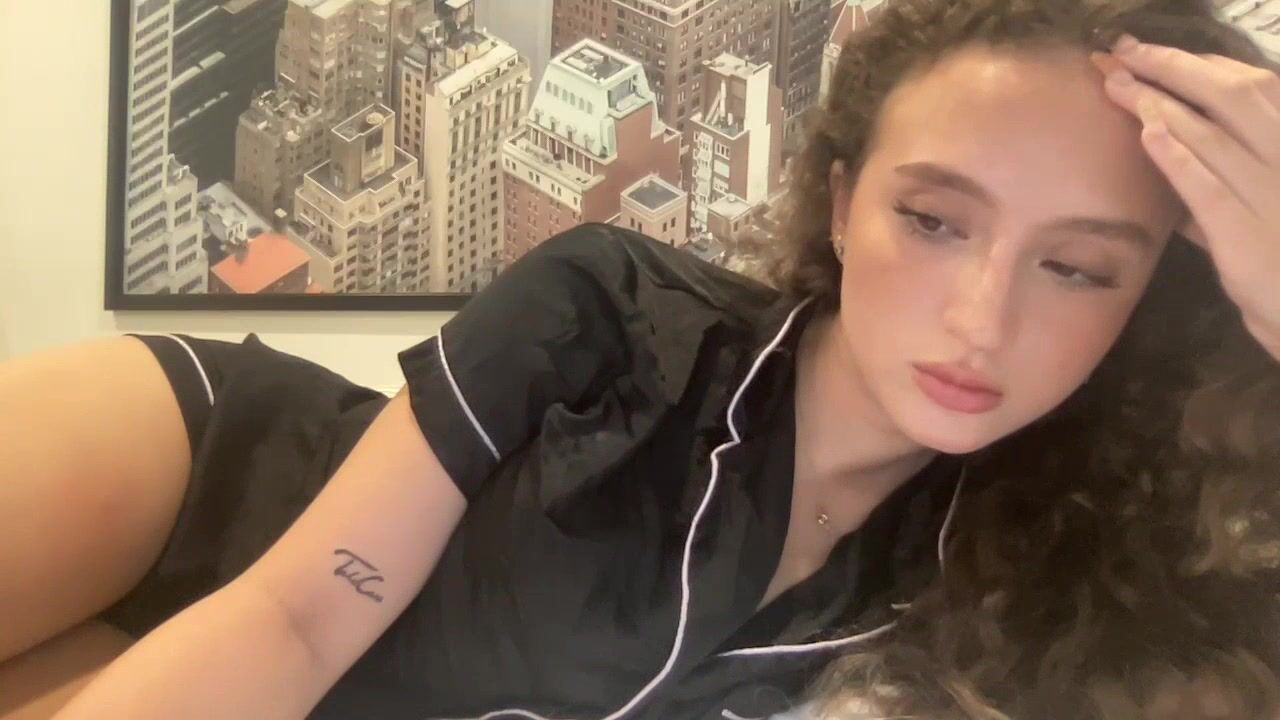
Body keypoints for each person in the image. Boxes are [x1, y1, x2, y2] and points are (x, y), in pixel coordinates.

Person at [1, 0, 1278, 718]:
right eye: (934, 221)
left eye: (1077, 267)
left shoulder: (1033, 575)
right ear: (843, 203)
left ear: (1147, 304)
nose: (979, 319)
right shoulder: (613, 312)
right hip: (193, 483)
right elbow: (299, 613)